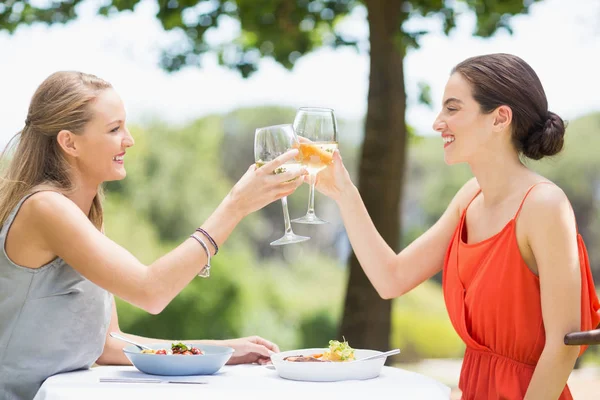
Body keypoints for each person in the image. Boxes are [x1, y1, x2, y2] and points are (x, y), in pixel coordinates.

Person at [0, 71, 306, 400]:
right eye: (114, 129)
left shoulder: (84, 217)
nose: (128, 139)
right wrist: (235, 206)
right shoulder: (46, 208)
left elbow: (108, 345)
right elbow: (151, 291)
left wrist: (219, 350)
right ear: (69, 142)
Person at [313, 53, 600, 399]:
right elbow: (391, 278)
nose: (437, 123)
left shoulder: (543, 205)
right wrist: (344, 193)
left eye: (452, 109)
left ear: (500, 118)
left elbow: (564, 345)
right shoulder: (471, 196)